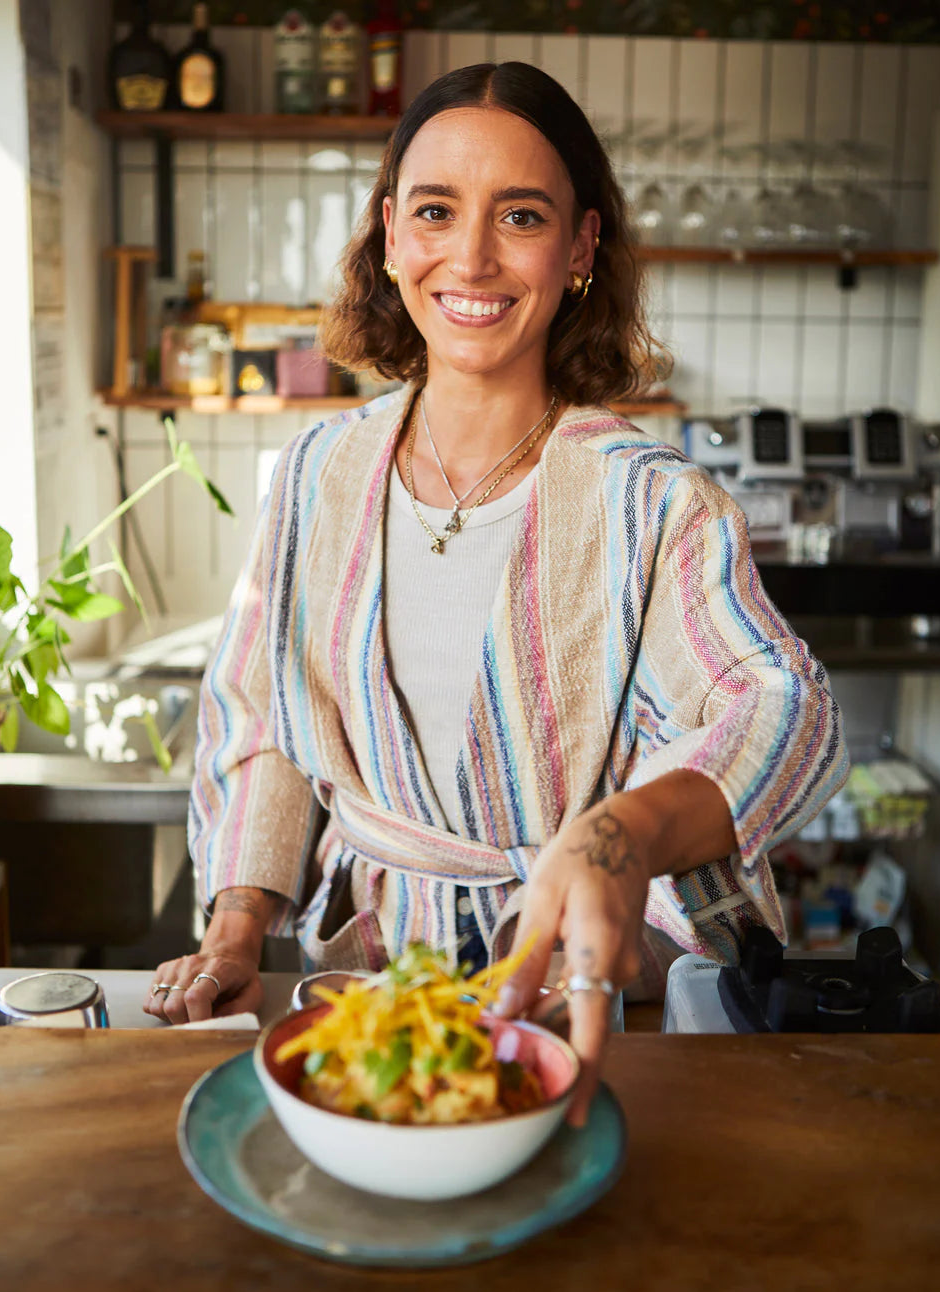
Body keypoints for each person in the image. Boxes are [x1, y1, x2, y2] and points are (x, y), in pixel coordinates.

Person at [146, 61, 848, 1121]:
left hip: (597, 1002)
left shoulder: (654, 504)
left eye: (519, 215)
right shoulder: (313, 478)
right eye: (435, 210)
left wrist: (615, 840)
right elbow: (264, 726)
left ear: (579, 249)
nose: (469, 256)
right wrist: (240, 923)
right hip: (376, 1005)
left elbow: (785, 712)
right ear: (391, 234)